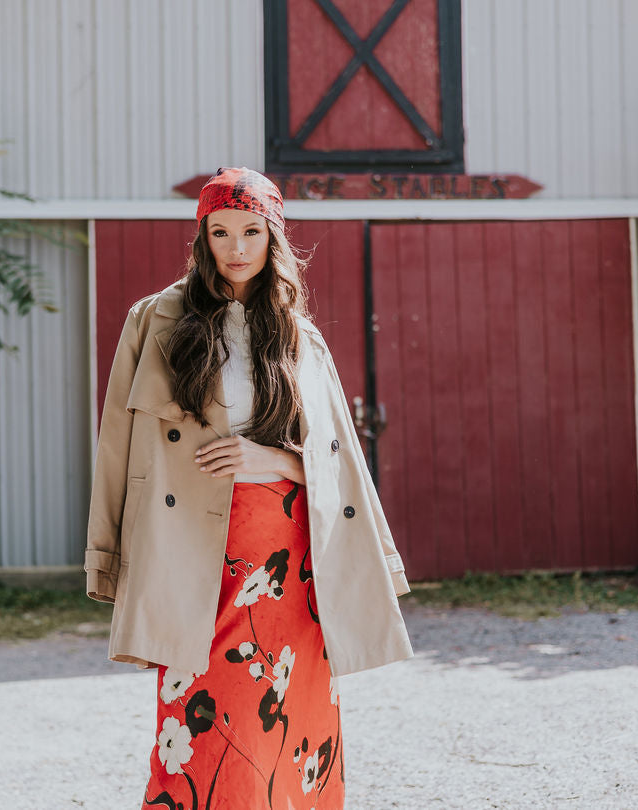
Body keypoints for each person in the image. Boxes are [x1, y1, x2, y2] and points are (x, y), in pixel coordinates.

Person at [84, 167, 413, 809]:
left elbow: (335, 458)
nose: (236, 247)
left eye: (252, 232)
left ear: (274, 237)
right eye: (221, 232)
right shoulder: (153, 321)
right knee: (205, 724)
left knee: (291, 720)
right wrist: (108, 556)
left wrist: (266, 456)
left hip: (292, 560)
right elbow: (116, 451)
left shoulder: (300, 335)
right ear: (202, 237)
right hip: (193, 554)